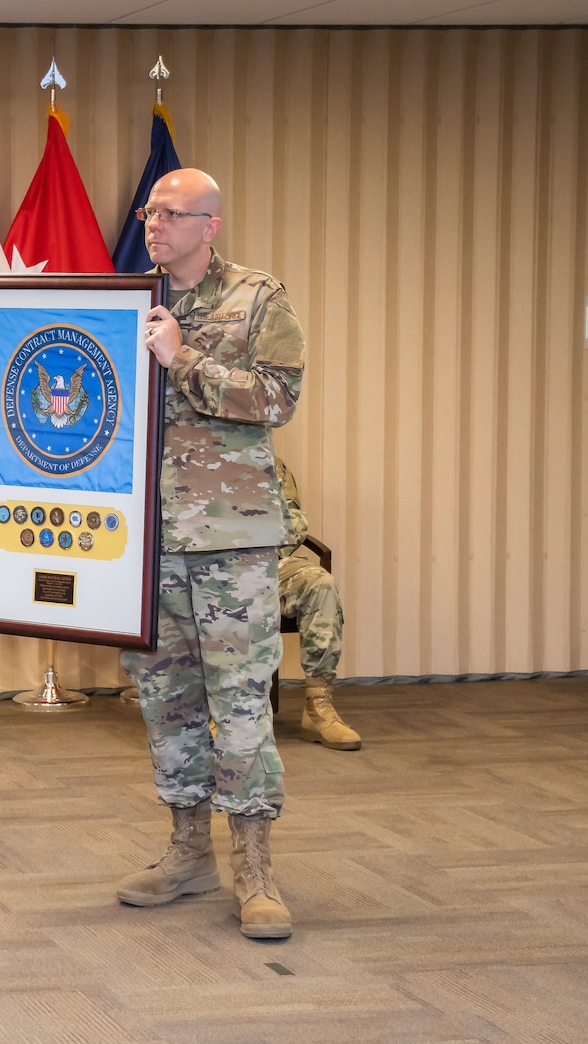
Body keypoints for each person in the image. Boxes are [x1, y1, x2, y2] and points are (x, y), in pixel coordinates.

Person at [113, 168, 306, 940]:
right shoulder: (131, 303)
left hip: (230, 540)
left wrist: (183, 358)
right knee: (167, 702)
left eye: (169, 213)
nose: (153, 223)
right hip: (150, 542)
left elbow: (279, 399)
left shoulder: (258, 298)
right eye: (150, 212)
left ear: (209, 225)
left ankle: (255, 868)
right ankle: (189, 850)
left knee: (239, 704)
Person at [277, 456, 361, 750]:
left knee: (320, 584)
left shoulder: (269, 461)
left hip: (268, 562)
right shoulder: (193, 454)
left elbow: (293, 522)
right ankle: (216, 711)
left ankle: (317, 706)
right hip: (216, 568)